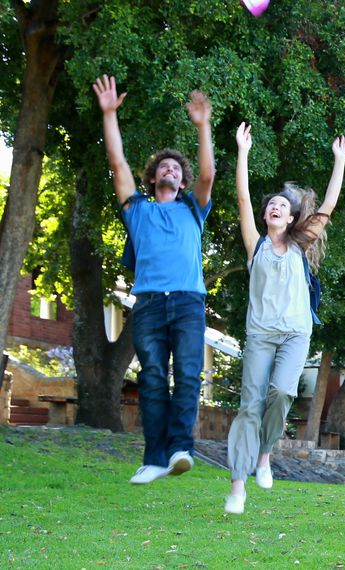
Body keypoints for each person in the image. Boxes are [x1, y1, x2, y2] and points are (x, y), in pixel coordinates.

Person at [94, 75, 216, 485]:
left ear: (181, 181)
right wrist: (109, 114)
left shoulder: (193, 210)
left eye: (176, 169)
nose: (170, 170)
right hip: (147, 303)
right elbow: (117, 163)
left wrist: (202, 126)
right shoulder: (138, 210)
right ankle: (153, 457)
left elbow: (208, 174)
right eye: (163, 166)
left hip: (187, 303)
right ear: (152, 178)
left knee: (186, 375)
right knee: (150, 377)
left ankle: (180, 449)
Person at [224, 123, 345, 514]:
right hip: (260, 334)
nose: (274, 206)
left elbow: (327, 206)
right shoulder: (256, 244)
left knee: (282, 393)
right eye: (270, 205)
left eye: (282, 204)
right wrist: (243, 152)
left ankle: (265, 454)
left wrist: (340, 161)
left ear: (293, 215)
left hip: (295, 334)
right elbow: (243, 199)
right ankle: (237, 486)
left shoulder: (300, 244)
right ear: (266, 215)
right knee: (249, 406)